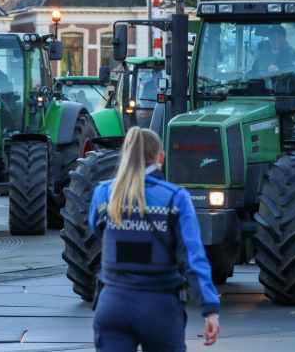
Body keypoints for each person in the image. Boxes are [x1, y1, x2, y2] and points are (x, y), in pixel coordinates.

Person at [89, 127, 221, 351]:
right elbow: (193, 257)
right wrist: (210, 309)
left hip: (112, 304)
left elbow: (97, 229)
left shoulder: (104, 194)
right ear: (161, 158)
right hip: (160, 307)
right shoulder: (176, 198)